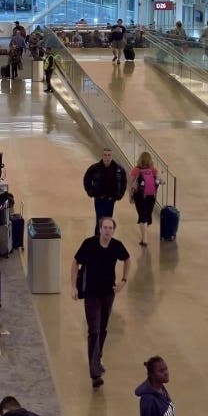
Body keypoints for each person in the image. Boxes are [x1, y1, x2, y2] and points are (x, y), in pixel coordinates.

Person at [71, 217, 131, 388]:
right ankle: (95, 373)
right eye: (104, 227)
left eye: (110, 228)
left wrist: (123, 281)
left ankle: (97, 359)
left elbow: (127, 259)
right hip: (91, 294)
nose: (107, 231)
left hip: (108, 293)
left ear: (113, 230)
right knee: (94, 330)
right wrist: (73, 286)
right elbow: (75, 262)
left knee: (103, 329)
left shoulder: (116, 246)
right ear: (99, 229)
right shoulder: (89, 244)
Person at [83, 148, 128, 225]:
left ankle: (106, 236)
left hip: (111, 199)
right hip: (99, 198)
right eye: (105, 155)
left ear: (111, 156)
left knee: (108, 220)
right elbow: (86, 179)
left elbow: (124, 182)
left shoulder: (118, 169)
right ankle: (98, 236)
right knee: (100, 219)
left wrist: (120, 195)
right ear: (102, 156)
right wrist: (90, 191)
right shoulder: (95, 168)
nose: (107, 157)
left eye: (109, 155)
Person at [128, 152, 161, 247]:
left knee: (142, 216)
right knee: (146, 216)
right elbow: (158, 182)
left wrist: (131, 196)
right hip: (151, 196)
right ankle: (144, 237)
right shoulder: (154, 170)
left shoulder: (136, 170)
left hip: (139, 195)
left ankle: (144, 239)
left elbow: (131, 184)